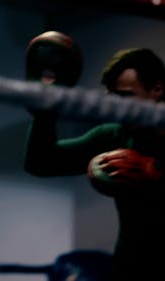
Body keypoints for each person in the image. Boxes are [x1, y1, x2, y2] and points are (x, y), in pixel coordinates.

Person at [24, 47, 165, 281]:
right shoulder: (113, 136)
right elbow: (41, 163)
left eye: (126, 97)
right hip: (131, 267)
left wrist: (155, 172)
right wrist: (44, 114)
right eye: (113, 100)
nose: (118, 108)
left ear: (157, 89)